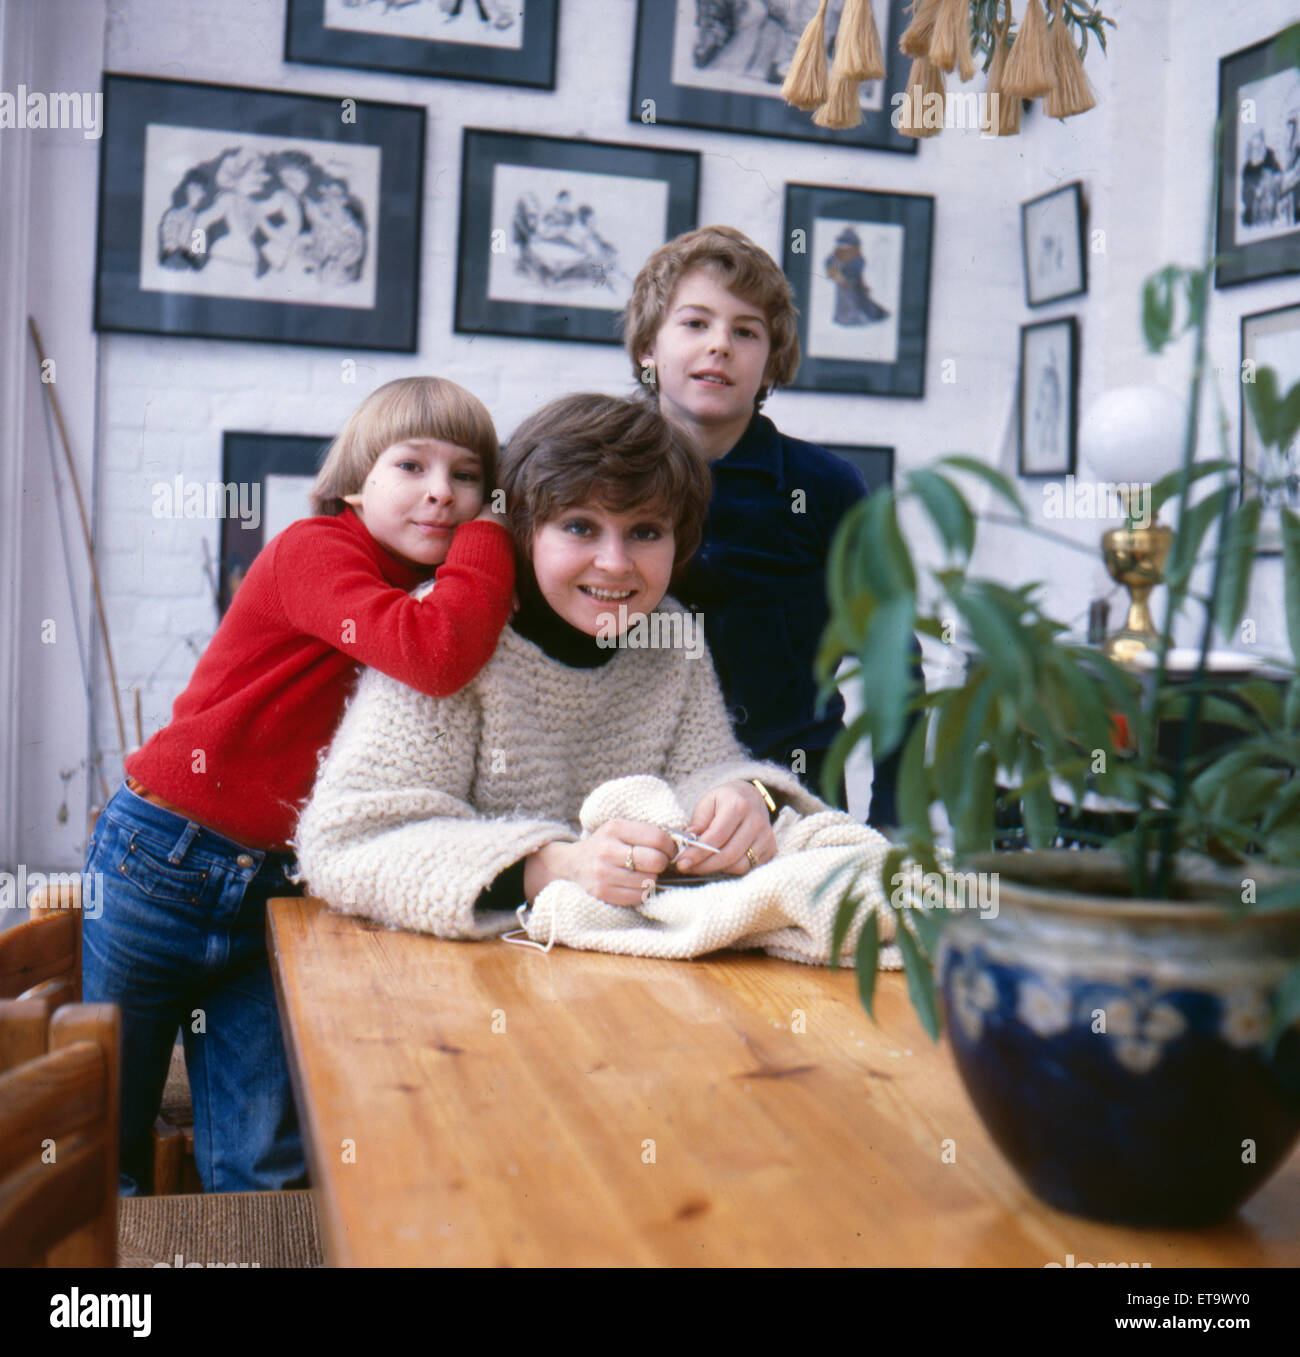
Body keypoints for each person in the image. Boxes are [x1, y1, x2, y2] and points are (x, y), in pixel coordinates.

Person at [82, 376, 515, 1195]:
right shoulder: (318, 549)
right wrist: (492, 531)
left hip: (279, 890)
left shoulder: (428, 581)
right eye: (411, 465)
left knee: (265, 1164)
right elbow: (436, 654)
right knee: (109, 1141)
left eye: (467, 477)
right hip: (161, 859)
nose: (441, 493)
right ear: (354, 480)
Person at [294, 394, 853, 938]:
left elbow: (701, 768)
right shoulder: (450, 631)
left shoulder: (670, 633)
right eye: (580, 526)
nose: (614, 563)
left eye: (646, 531)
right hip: (446, 993)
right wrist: (552, 867)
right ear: (523, 530)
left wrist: (746, 796)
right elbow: (349, 844)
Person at [623, 224, 922, 826]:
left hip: (791, 802)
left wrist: (893, 822)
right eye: (695, 323)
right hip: (630, 795)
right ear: (648, 348)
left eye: (745, 331)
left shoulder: (827, 485)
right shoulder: (594, 468)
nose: (720, 346)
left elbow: (895, 662)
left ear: (771, 363)